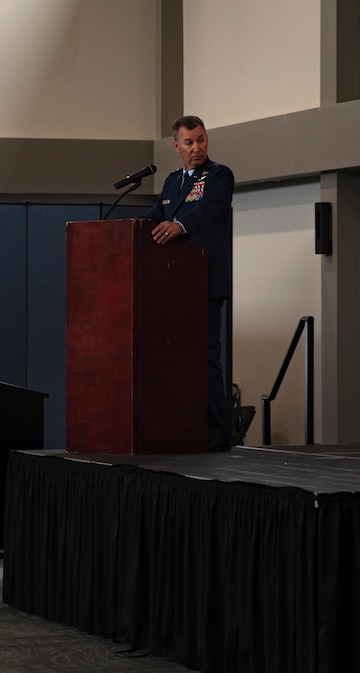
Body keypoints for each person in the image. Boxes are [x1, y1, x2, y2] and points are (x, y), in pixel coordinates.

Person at [140, 116, 235, 451]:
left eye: (201, 140)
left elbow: (210, 210)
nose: (197, 148)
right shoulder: (171, 183)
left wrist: (179, 225)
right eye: (189, 142)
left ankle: (217, 435)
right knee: (176, 360)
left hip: (205, 283)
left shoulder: (219, 175)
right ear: (176, 146)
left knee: (206, 360)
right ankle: (182, 430)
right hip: (174, 286)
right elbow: (153, 218)